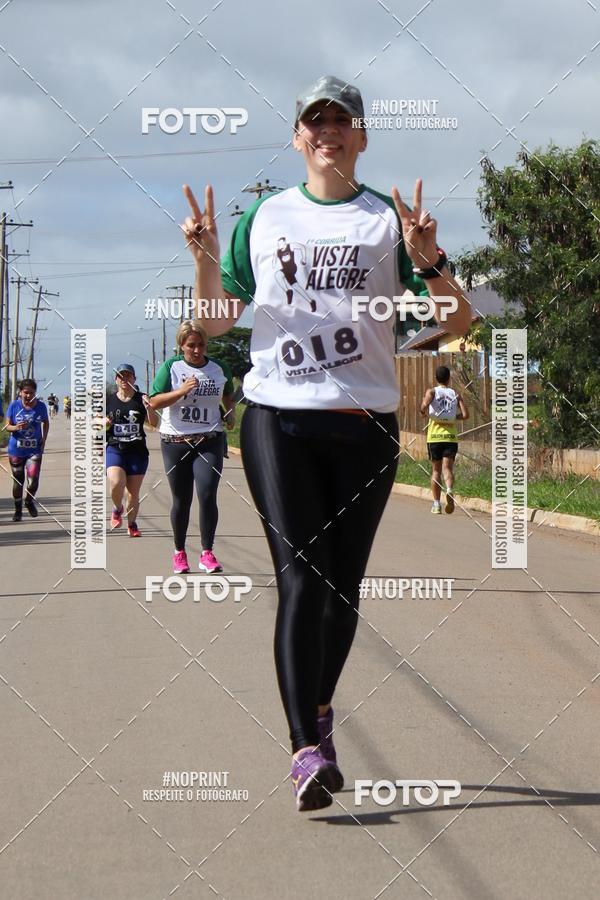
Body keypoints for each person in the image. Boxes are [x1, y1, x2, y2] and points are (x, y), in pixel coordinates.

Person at [181, 75, 472, 812]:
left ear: (362, 137)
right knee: (303, 579)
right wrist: (208, 255)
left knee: (342, 594)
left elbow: (459, 321)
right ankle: (304, 751)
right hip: (278, 417)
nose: (327, 131)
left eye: (341, 121)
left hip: (366, 427)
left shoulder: (387, 221)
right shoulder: (266, 217)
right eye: (314, 121)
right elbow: (215, 323)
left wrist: (429, 258)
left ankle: (318, 712)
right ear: (298, 137)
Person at [147, 320, 236, 574]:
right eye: (191, 346)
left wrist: (230, 414)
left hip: (209, 439)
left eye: (201, 345)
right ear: (181, 346)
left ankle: (207, 553)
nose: (197, 351)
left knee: (207, 494)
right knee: (181, 499)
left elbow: (228, 394)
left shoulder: (219, 368)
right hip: (175, 442)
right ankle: (180, 552)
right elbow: (154, 401)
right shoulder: (171, 368)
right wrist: (181, 391)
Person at [105, 364, 158, 537]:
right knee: (115, 482)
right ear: (116, 379)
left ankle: (132, 524)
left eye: (128, 376)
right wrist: (103, 424)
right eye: (121, 376)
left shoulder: (141, 398)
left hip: (137, 452)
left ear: (134, 378)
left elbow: (154, 423)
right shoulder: (109, 400)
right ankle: (117, 508)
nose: (124, 379)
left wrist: (149, 407)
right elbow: (96, 424)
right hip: (115, 448)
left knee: (133, 493)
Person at [421, 365, 470, 515]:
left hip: (434, 437)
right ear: (449, 379)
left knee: (436, 470)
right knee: (447, 469)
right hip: (450, 437)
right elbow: (466, 414)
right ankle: (449, 489)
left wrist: (425, 413)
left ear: (436, 378)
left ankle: (436, 504)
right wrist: (454, 417)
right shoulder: (455, 394)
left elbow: (423, 407)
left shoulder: (432, 391)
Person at [5, 378, 49, 521]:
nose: (28, 396)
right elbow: (8, 426)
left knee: (33, 481)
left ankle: (29, 502)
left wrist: (44, 440)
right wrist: (16, 427)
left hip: (34, 450)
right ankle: (17, 510)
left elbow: (46, 423)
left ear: (35, 393)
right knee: (18, 481)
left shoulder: (41, 406)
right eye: (25, 392)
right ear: (20, 392)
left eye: (31, 393)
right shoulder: (14, 406)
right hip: (16, 450)